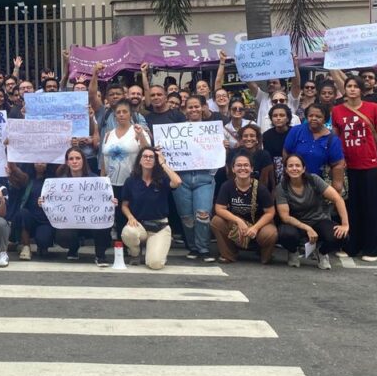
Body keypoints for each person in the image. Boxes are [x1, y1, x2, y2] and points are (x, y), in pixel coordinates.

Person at [332, 76, 377, 261]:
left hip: (371, 164)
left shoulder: (373, 108)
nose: (352, 89)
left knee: (371, 207)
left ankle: (372, 248)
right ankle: (352, 245)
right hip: (349, 166)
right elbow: (335, 137)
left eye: (356, 86)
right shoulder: (337, 110)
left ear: (361, 90)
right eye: (349, 86)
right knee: (351, 208)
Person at [275, 154, 350, 271]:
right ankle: (293, 251)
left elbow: (338, 199)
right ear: (285, 169)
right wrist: (307, 228)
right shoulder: (282, 187)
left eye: (297, 166)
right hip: (296, 223)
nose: (294, 168)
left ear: (304, 168)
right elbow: (285, 217)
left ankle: (321, 252)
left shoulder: (313, 180)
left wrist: (345, 224)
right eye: (290, 166)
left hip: (319, 220)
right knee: (284, 234)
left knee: (342, 236)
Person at [44, 147, 117, 266]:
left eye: (78, 158)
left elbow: (105, 200)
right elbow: (53, 202)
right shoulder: (59, 183)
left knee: (104, 223)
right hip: (71, 225)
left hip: (93, 223)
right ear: (67, 162)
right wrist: (44, 201)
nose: (74, 161)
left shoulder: (96, 181)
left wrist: (111, 202)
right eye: (71, 159)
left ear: (83, 160)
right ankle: (73, 247)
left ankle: (100, 255)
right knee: (63, 235)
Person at [119, 147, 182, 270]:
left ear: (155, 160)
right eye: (145, 156)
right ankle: (135, 253)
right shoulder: (131, 181)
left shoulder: (163, 179)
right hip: (139, 225)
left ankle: (156, 249)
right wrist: (130, 217)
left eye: (151, 157)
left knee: (155, 264)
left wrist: (163, 163)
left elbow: (177, 182)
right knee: (128, 233)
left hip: (160, 227)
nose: (148, 159)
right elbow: (124, 205)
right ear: (140, 160)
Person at [173, 95, 218, 262]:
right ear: (185, 110)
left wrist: (222, 147)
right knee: (186, 217)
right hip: (182, 178)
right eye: (190, 107)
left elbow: (218, 154)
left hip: (204, 178)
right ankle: (193, 248)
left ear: (203, 107)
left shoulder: (211, 130)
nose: (193, 110)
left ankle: (204, 248)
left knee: (203, 214)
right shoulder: (176, 131)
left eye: (196, 106)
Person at [99, 100, 152, 239]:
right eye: (118, 112)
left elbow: (148, 152)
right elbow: (105, 159)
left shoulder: (138, 131)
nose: (121, 115)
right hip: (112, 182)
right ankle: (120, 247)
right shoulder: (108, 134)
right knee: (117, 215)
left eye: (125, 112)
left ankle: (134, 247)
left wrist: (140, 136)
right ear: (114, 115)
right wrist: (101, 180)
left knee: (133, 216)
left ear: (130, 114)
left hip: (132, 181)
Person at [212, 153, 278, 264]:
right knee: (216, 221)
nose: (243, 168)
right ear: (233, 169)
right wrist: (238, 221)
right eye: (239, 165)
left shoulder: (261, 188)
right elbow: (219, 208)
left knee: (270, 233)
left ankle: (264, 256)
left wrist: (255, 228)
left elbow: (270, 212)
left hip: (258, 226)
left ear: (252, 169)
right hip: (235, 226)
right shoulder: (227, 186)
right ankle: (229, 254)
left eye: (246, 165)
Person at [226, 123, 274, 192]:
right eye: (245, 136)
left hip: (259, 191)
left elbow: (264, 182)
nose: (248, 139)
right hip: (236, 191)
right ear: (241, 138)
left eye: (252, 136)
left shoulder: (264, 155)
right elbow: (231, 177)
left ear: (257, 139)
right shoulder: (233, 153)